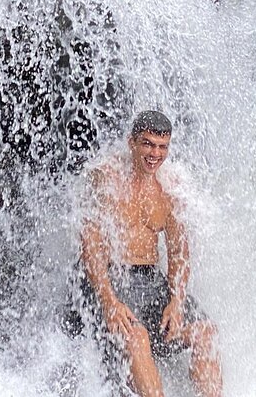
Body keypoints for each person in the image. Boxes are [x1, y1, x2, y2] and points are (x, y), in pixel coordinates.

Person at [78, 110, 222, 397]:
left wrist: (178, 301)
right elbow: (90, 244)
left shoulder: (170, 187)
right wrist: (108, 301)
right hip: (109, 277)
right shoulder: (106, 177)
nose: (155, 154)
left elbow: (179, 251)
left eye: (162, 146)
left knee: (206, 332)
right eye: (147, 144)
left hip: (149, 280)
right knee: (137, 337)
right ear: (132, 142)